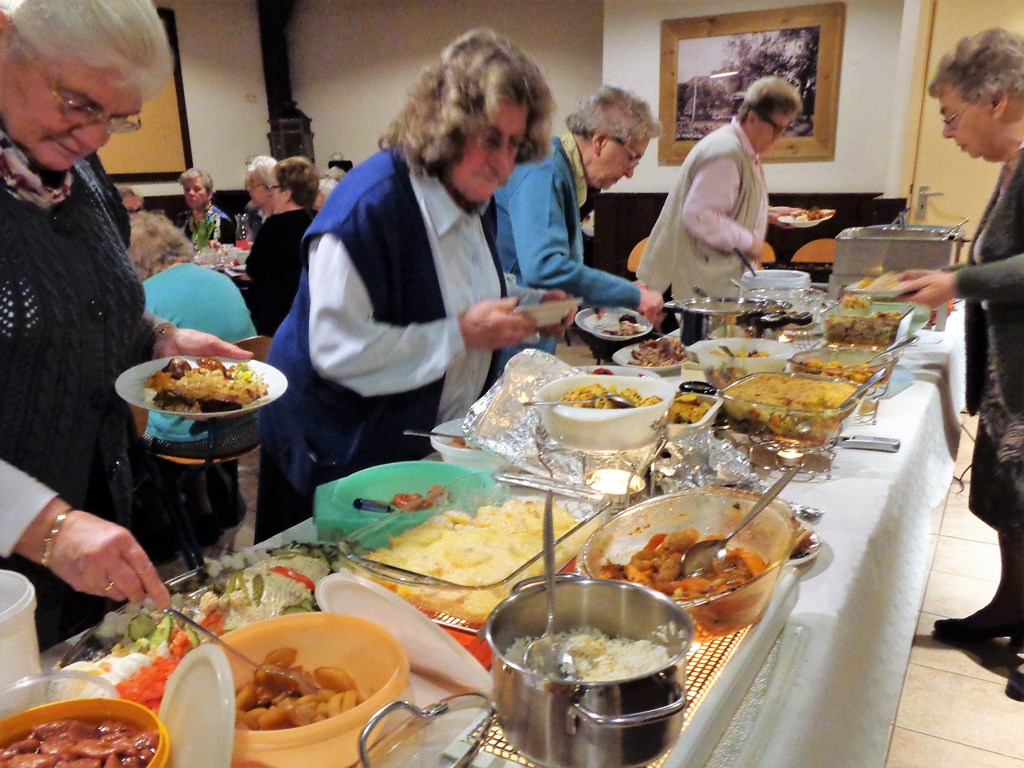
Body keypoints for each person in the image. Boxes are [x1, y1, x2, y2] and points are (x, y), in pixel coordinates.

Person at [0, 0, 249, 647]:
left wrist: (159, 337)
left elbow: (96, 299)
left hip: (95, 518)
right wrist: (43, 526)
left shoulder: (80, 171)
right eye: (80, 103)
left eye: (117, 116)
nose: (96, 138)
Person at [257, 28, 570, 540]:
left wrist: (528, 307)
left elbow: (458, 295)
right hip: (331, 447)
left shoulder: (473, 197)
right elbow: (336, 351)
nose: (504, 163)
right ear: (446, 126)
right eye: (490, 139)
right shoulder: (368, 209)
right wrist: (462, 334)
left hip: (418, 445)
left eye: (514, 144)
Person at [896, 28, 1024, 701]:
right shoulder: (1011, 166)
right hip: (1007, 371)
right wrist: (951, 278)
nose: (948, 132)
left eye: (951, 115)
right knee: (1010, 502)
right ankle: (1011, 606)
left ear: (996, 100)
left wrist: (959, 282)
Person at [495, 85, 665, 356]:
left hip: (528, 330)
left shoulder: (563, 170)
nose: (630, 173)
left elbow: (561, 265)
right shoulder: (544, 169)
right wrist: (632, 295)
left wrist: (602, 293)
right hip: (507, 337)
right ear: (600, 141)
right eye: (632, 159)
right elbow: (544, 266)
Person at [128, 211, 257, 545]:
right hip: (247, 424)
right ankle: (205, 504)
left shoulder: (141, 301)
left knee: (127, 415)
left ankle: (159, 517)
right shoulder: (222, 281)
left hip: (184, 437)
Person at [637, 76, 803, 302]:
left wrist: (768, 213)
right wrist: (751, 243)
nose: (779, 138)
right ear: (752, 118)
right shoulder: (726, 152)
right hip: (690, 284)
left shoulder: (740, 148)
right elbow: (699, 214)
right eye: (776, 128)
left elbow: (723, 203)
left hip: (703, 280)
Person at [244, 156, 319, 335]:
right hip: (313, 312)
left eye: (274, 187)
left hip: (279, 318)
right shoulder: (317, 219)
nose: (271, 193)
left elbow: (253, 268)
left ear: (287, 194)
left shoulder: (274, 226)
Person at [175, 167, 236, 249]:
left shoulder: (222, 221)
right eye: (187, 190)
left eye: (197, 189)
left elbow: (230, 252)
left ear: (209, 194)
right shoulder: (180, 220)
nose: (191, 193)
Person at [242, 155, 277, 241]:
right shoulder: (252, 210)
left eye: (252, 184)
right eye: (248, 184)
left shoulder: (284, 214)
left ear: (269, 186)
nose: (248, 189)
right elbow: (248, 241)